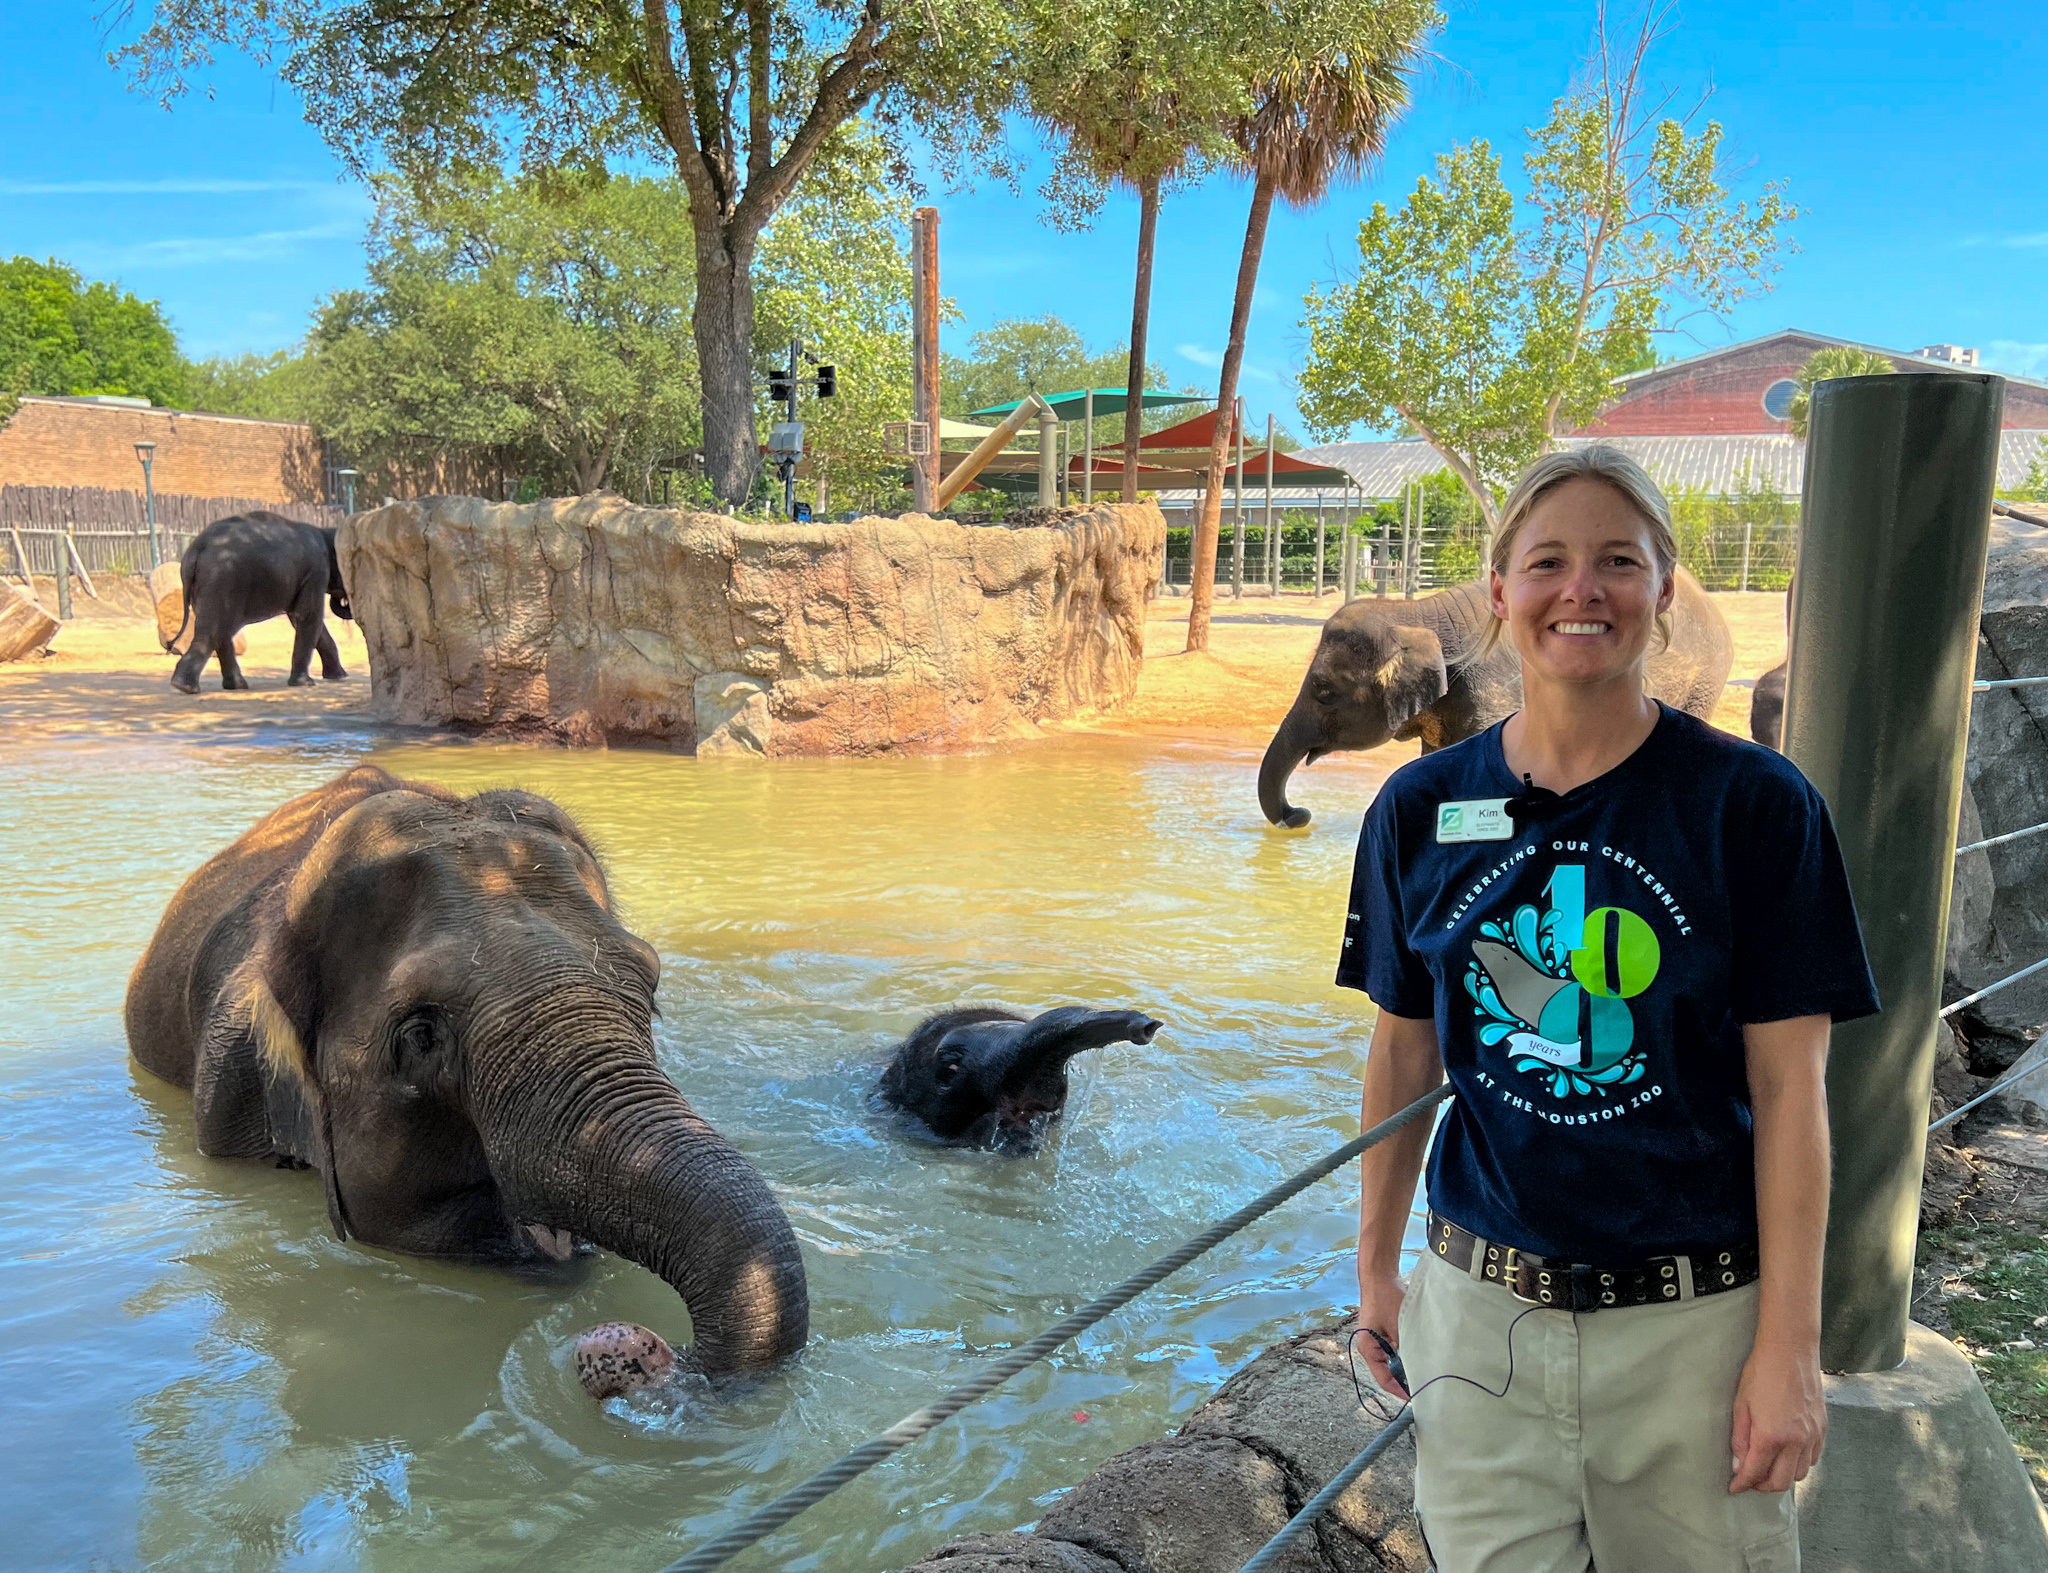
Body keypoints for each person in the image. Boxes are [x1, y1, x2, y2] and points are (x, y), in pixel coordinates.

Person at [1341, 445, 1878, 1573]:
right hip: (1480, 1322)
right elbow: (1402, 1054)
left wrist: (1787, 1346)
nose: (1578, 590)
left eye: (1616, 562)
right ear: (1499, 594)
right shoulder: (1419, 809)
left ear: (1664, 591)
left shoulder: (1755, 807)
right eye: (1546, 561)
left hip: (1694, 1327)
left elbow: (1789, 1093)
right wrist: (1374, 1272)